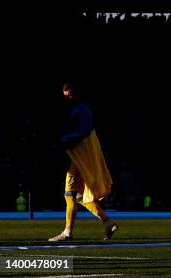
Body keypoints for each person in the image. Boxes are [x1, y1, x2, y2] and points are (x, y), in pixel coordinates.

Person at [48, 83, 117, 242]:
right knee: (79, 196)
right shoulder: (76, 109)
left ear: (76, 94)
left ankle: (67, 233)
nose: (66, 98)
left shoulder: (80, 110)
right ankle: (108, 222)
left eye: (69, 95)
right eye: (64, 95)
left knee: (69, 195)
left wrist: (62, 139)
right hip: (80, 157)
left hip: (79, 158)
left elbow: (82, 132)